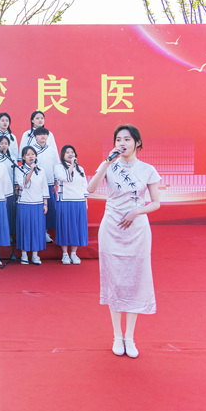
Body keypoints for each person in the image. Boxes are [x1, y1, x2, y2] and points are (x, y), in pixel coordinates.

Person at [87, 125, 160, 359]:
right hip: (112, 229)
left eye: (127, 139)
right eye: (118, 139)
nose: (122, 143)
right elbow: (90, 189)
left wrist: (137, 211)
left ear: (137, 143)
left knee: (135, 279)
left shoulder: (147, 170)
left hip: (137, 230)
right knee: (115, 280)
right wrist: (106, 163)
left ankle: (130, 336)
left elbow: (155, 203)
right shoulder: (110, 165)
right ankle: (117, 336)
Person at [54, 145, 89, 265]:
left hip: (79, 201)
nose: (70, 154)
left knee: (76, 227)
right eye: (67, 152)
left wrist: (85, 201)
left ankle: (74, 253)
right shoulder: (58, 167)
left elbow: (84, 186)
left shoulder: (81, 169)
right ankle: (65, 254)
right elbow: (65, 178)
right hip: (65, 201)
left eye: (72, 152)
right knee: (65, 227)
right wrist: (72, 165)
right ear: (63, 155)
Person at [15, 146, 49, 265]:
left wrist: (45, 203)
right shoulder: (19, 169)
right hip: (24, 203)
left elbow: (44, 187)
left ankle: (35, 255)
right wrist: (30, 170)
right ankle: (24, 254)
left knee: (36, 229)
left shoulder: (41, 170)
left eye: (33, 154)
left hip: (38, 203)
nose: (31, 156)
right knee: (24, 228)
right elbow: (23, 184)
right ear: (23, 157)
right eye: (28, 154)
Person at [31, 127, 61, 242]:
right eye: (40, 134)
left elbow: (57, 166)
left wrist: (56, 181)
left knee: (49, 209)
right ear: (35, 137)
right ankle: (37, 232)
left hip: (49, 183)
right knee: (37, 209)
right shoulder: (31, 150)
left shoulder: (52, 150)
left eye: (45, 134)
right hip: (35, 185)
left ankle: (45, 232)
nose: (42, 136)